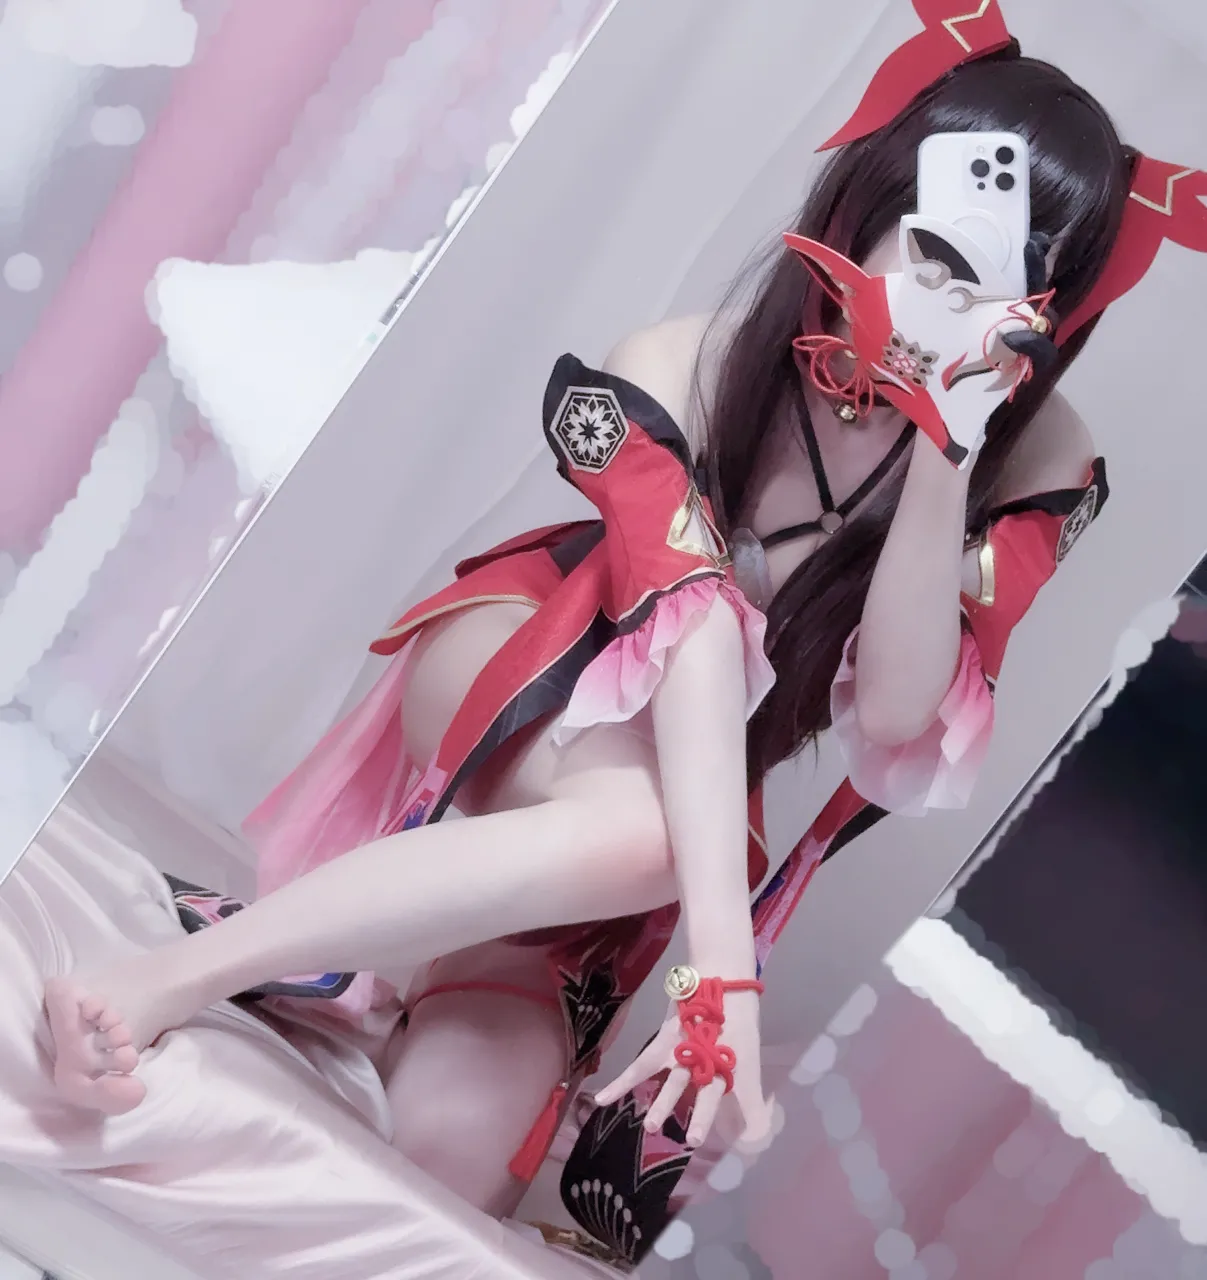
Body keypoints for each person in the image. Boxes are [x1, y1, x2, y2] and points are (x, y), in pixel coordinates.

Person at [39, 4, 1207, 1266]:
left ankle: (390, 973)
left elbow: (891, 714)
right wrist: (722, 973)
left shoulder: (1042, 464)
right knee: (649, 821)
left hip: (647, 837)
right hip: (527, 671)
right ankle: (177, 979)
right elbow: (693, 646)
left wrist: (945, 450)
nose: (956, 307)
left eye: (1013, 295)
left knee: (449, 1149)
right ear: (872, 197)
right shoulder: (679, 363)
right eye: (935, 252)